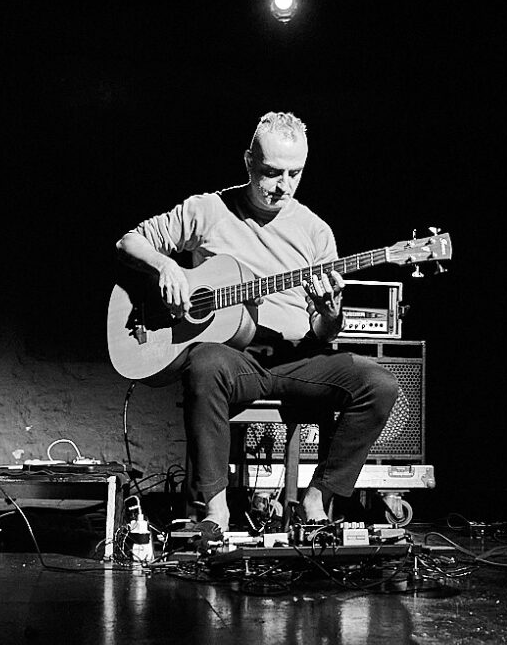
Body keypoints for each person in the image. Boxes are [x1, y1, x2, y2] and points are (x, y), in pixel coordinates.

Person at [115, 112, 399, 532]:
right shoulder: (208, 210)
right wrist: (164, 267)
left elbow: (324, 334)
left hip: (299, 360)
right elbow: (128, 242)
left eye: (294, 173)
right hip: (235, 361)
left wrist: (329, 313)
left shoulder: (316, 232)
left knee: (380, 384)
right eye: (270, 173)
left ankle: (316, 501)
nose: (283, 186)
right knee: (205, 363)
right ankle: (215, 512)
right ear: (248, 161)